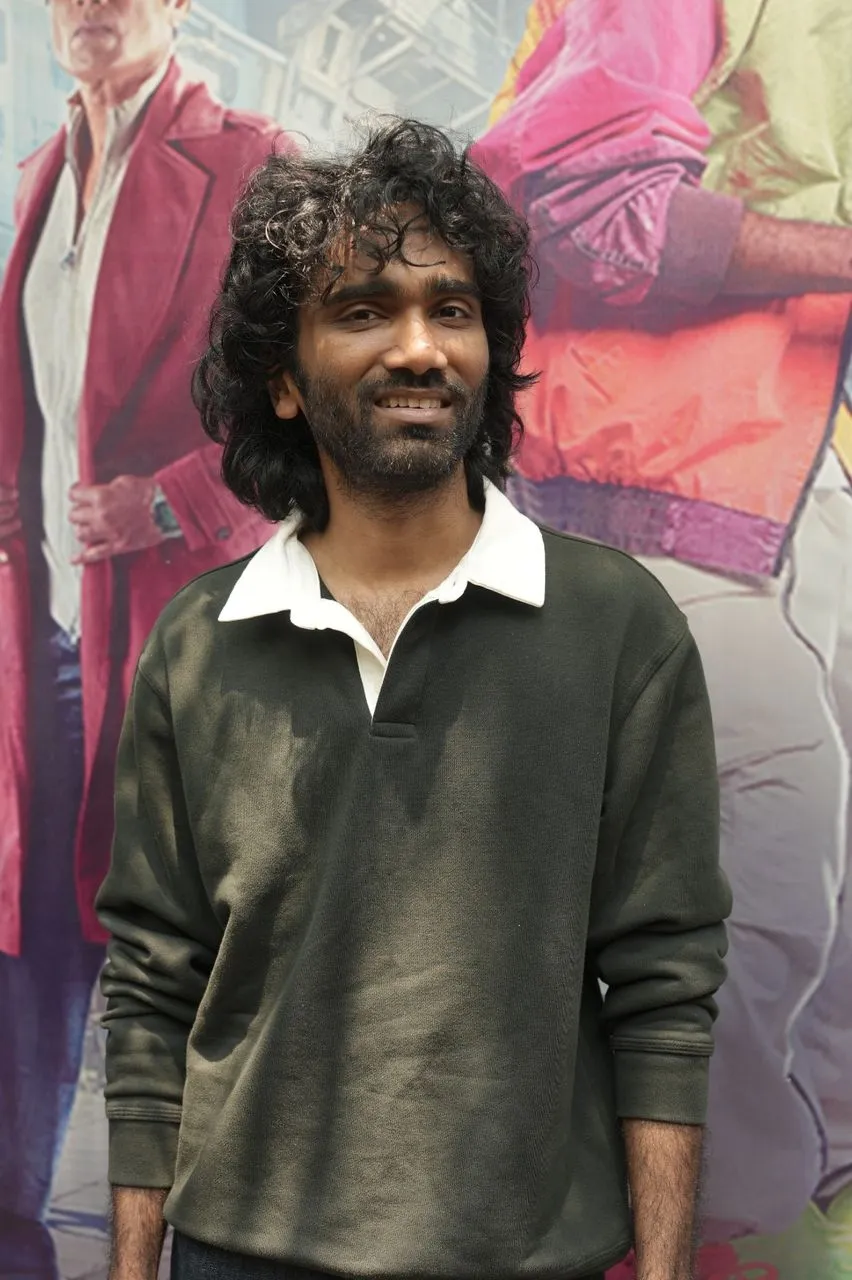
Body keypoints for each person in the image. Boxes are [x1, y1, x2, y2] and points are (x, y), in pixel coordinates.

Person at [95, 118, 731, 1280]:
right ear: (282, 380)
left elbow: (665, 988)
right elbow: (150, 986)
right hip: (241, 1255)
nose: (420, 346)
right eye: (362, 309)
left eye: (452, 308)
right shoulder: (198, 644)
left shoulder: (619, 628)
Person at [472, 0, 852, 1246]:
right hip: (661, 496)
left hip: (786, 489)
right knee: (748, 877)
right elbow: (605, 216)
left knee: (801, 896)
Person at [0, 0, 285, 1268]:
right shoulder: (38, 177)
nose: (95, 3)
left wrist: (171, 495)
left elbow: (323, 396)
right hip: (44, 632)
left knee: (185, 960)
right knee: (30, 935)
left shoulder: (256, 163)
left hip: (189, 637)